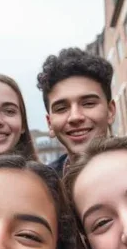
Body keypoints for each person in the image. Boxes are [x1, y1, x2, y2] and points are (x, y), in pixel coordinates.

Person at [36, 47, 116, 176]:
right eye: (61, 108)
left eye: (88, 104)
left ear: (110, 111)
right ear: (49, 123)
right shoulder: (42, 184)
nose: (75, 117)